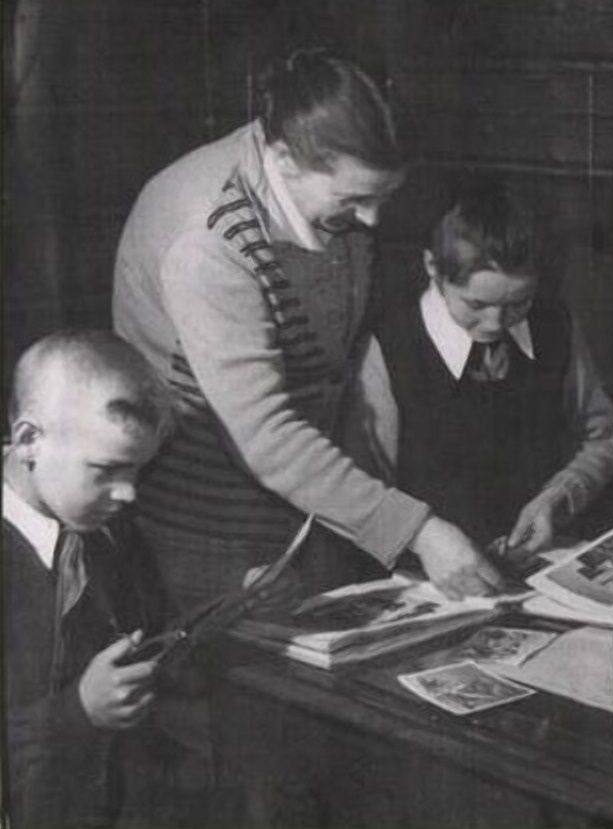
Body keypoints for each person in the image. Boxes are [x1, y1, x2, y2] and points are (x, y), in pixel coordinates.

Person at [113, 49, 503, 606]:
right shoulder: (209, 237)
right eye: (355, 199)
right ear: (284, 158)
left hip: (312, 510)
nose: (371, 219)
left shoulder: (323, 186)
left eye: (384, 196)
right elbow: (265, 435)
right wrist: (418, 530)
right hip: (208, 528)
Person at [376, 179, 613, 555]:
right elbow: (367, 490)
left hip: (539, 556)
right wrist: (422, 542)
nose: (495, 324)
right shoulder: (391, 347)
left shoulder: (556, 328)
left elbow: (601, 436)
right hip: (423, 566)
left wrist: (558, 497)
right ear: (433, 268)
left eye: (518, 303)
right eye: (476, 305)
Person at [3, 330, 174, 827]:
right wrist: (76, 713)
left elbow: (150, 626)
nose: (128, 493)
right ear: (29, 441)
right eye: (106, 470)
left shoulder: (110, 531)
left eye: (138, 472)